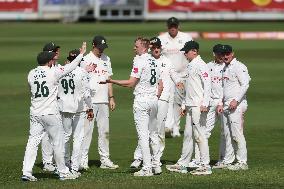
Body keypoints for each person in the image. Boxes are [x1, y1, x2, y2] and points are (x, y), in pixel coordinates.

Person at [22, 42, 87, 181]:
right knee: (58, 142)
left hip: (35, 113)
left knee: (32, 142)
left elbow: (32, 92)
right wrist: (81, 54)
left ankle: (26, 172)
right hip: (50, 113)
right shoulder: (53, 72)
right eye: (52, 58)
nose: (54, 60)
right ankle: (63, 172)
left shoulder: (31, 73)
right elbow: (71, 67)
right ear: (48, 61)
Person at [103, 37, 162, 176]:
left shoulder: (139, 60)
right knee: (153, 134)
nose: (134, 48)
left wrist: (112, 81)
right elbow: (160, 83)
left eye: (136, 46)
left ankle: (147, 168)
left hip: (142, 101)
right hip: (154, 100)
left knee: (143, 135)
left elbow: (130, 83)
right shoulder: (155, 61)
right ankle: (157, 166)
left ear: (144, 47)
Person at [166, 41, 212, 175]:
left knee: (200, 135)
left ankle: (205, 166)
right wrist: (185, 104)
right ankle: (183, 164)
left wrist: (205, 103)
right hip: (191, 105)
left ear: (194, 51)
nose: (185, 54)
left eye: (187, 51)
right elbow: (189, 87)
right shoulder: (191, 65)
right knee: (188, 135)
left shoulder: (201, 65)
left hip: (199, 105)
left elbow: (208, 84)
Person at [79, 35, 118, 170]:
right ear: (93, 45)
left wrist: (111, 97)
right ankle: (82, 160)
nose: (101, 50)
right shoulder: (85, 59)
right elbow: (81, 80)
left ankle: (105, 160)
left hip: (103, 101)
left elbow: (109, 80)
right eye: (99, 47)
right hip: (89, 102)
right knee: (87, 131)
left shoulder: (107, 59)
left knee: (104, 131)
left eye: (103, 48)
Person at [57, 49, 94, 177]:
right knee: (78, 138)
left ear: (68, 59)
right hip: (78, 109)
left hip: (63, 107)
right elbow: (87, 94)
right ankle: (74, 167)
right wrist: (90, 108)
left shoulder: (61, 70)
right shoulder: (82, 72)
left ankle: (65, 164)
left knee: (65, 137)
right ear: (80, 61)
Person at [217, 45, 251, 170]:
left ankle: (242, 162)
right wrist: (220, 103)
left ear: (232, 54)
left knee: (237, 134)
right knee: (227, 134)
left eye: (227, 54)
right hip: (226, 105)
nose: (225, 56)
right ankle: (228, 160)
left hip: (237, 105)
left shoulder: (239, 66)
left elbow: (245, 84)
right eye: (223, 54)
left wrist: (236, 100)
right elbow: (223, 87)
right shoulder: (225, 68)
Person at [159, 17, 193, 137]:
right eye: (170, 26)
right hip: (167, 76)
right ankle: (168, 126)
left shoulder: (186, 37)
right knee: (168, 100)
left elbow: (192, 54)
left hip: (183, 74)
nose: (172, 28)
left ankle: (176, 127)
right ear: (167, 26)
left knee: (178, 102)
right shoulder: (161, 38)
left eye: (174, 26)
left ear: (178, 26)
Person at [40, 42, 62, 172]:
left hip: (59, 104)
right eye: (55, 51)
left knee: (58, 134)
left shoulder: (58, 66)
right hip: (47, 106)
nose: (58, 53)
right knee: (46, 134)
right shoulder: (45, 69)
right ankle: (47, 162)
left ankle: (56, 161)